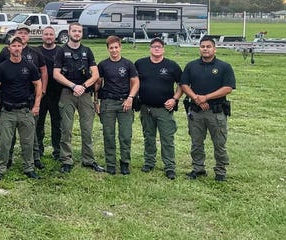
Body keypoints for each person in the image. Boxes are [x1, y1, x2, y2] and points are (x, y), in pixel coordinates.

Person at [180, 36, 236, 182]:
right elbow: (184, 84)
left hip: (216, 112)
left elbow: (228, 88)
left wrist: (206, 97)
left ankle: (220, 172)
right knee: (196, 143)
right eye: (202, 46)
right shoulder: (191, 66)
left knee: (219, 143)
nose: (205, 49)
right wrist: (197, 98)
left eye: (208, 46)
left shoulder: (224, 67)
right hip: (196, 112)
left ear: (214, 49)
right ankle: (198, 169)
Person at [53, 22, 104, 173]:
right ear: (69, 32)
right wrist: (73, 86)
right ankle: (66, 160)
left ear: (82, 33)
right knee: (66, 129)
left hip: (85, 94)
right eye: (74, 31)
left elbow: (95, 74)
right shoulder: (61, 51)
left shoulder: (87, 51)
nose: (76, 33)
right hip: (68, 93)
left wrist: (83, 86)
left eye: (79, 31)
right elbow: (56, 74)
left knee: (87, 129)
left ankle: (88, 160)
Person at [0, 36, 42, 182]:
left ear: (22, 48)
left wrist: (37, 104)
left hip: (25, 110)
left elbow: (38, 84)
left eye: (19, 46)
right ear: (9, 48)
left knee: (28, 142)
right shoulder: (2, 67)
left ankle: (29, 168)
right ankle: (0, 168)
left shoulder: (29, 66)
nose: (17, 48)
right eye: (14, 46)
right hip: (8, 111)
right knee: (5, 143)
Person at [0, 25, 47, 169]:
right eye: (20, 33)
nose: (23, 35)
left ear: (28, 37)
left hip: (30, 98)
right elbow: (0, 73)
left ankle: (35, 158)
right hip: (10, 99)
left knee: (31, 133)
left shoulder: (35, 53)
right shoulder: (5, 52)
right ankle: (8, 159)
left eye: (25, 34)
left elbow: (43, 72)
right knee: (9, 135)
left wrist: (42, 91)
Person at [134, 37, 182, 180]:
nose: (156, 49)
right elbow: (133, 82)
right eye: (154, 46)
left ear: (163, 49)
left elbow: (182, 85)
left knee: (167, 138)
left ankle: (170, 167)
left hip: (164, 109)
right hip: (146, 108)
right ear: (150, 48)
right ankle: (149, 162)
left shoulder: (172, 66)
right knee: (148, 137)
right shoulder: (140, 64)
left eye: (159, 46)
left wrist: (174, 99)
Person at [97, 35, 139, 175]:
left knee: (125, 135)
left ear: (120, 47)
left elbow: (135, 82)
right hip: (108, 103)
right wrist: (96, 101)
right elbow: (98, 84)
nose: (114, 50)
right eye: (111, 48)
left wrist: (130, 98)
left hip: (125, 103)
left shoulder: (128, 64)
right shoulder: (103, 65)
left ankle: (125, 163)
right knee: (108, 135)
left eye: (116, 47)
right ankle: (110, 164)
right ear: (108, 49)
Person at [36, 26, 62, 161]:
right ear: (42, 36)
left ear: (55, 36)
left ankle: (57, 151)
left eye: (51, 34)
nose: (48, 37)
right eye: (46, 34)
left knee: (57, 123)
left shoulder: (61, 51)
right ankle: (38, 150)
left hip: (57, 93)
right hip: (41, 94)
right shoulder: (36, 51)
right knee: (38, 123)